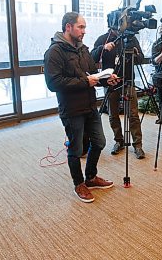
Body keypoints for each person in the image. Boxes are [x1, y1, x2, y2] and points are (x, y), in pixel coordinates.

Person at [44, 12, 120, 203]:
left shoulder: (83, 49)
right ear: (68, 27)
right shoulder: (54, 52)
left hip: (89, 105)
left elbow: (94, 74)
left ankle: (91, 177)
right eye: (81, 27)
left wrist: (105, 80)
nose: (84, 31)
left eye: (84, 27)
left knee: (100, 142)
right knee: (76, 149)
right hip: (71, 109)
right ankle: (79, 184)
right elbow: (54, 83)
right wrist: (85, 82)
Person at [91, 28, 145, 159]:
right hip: (110, 81)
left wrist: (136, 53)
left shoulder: (131, 39)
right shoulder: (103, 38)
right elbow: (92, 57)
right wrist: (103, 48)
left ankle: (137, 145)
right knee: (112, 113)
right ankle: (118, 140)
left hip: (128, 80)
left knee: (133, 114)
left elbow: (141, 59)